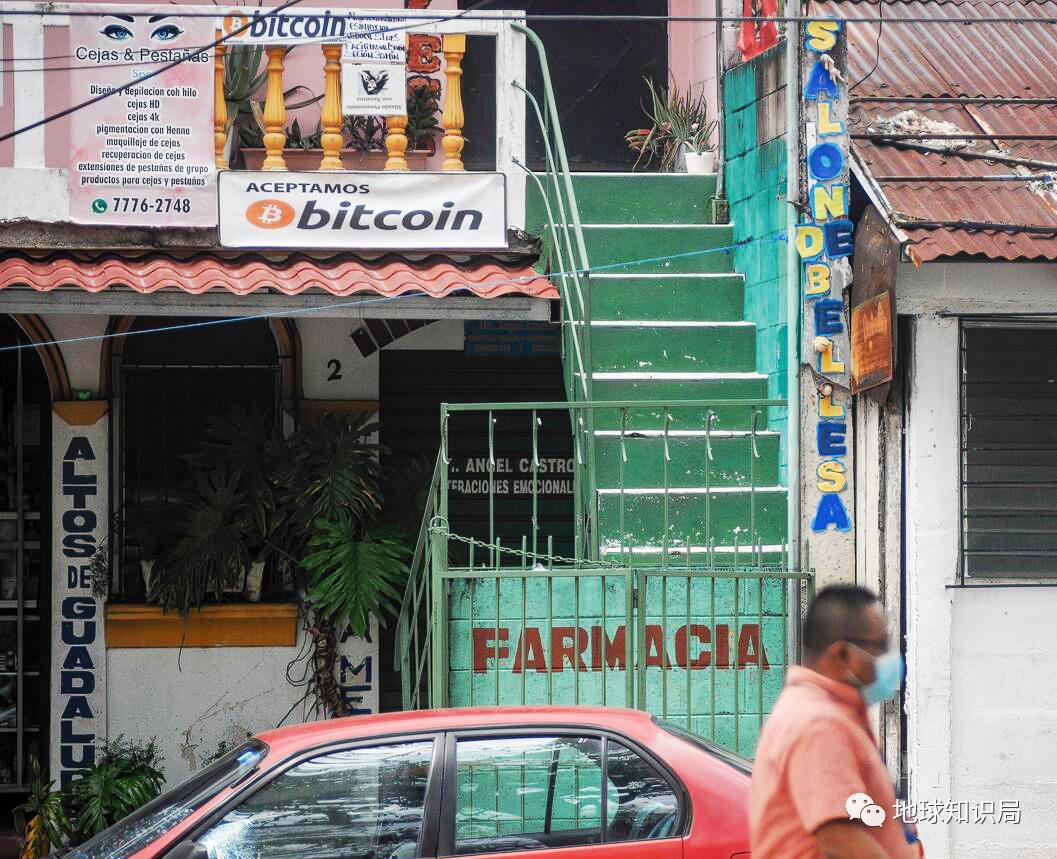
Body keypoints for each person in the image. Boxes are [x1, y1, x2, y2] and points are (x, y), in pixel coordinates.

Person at [749, 585, 921, 859]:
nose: (889, 659)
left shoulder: (823, 713)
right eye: (880, 647)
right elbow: (840, 839)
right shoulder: (819, 724)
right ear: (841, 654)